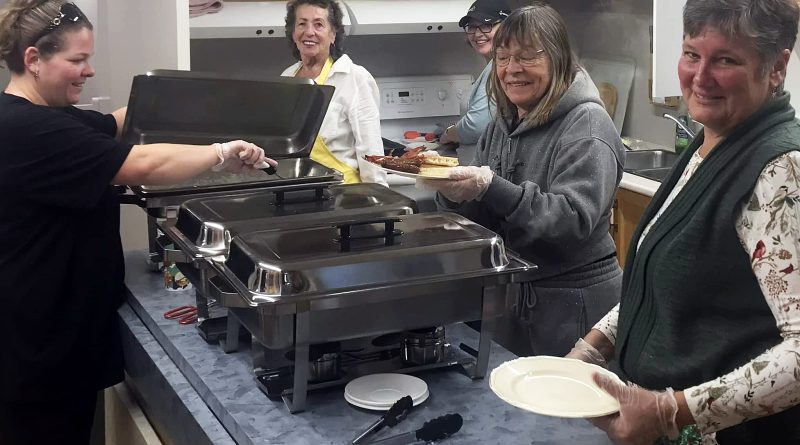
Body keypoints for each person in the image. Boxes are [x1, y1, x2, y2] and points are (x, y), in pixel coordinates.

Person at [0, 1, 276, 443]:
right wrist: (221, 152)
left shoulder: (51, 119)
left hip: (54, 334)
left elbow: (116, 124)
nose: (88, 70)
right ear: (33, 59)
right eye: (77, 59)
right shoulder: (25, 129)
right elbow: (140, 163)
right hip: (36, 348)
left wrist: (194, 103)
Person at [565, 1, 800, 444]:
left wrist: (670, 412)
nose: (700, 76)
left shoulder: (779, 172)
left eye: (726, 59)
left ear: (777, 66)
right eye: (692, 54)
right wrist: (593, 347)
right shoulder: (710, 145)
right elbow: (665, 288)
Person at [421, 4, 625, 358]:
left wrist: (491, 187)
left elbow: (572, 221)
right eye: (503, 58)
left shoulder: (587, 126)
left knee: (569, 413)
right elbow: (484, 220)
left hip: (574, 306)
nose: (512, 69)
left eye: (528, 57)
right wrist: (454, 196)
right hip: (514, 297)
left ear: (558, 59)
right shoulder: (503, 124)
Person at [281, 0, 387, 186]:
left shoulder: (354, 78)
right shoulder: (287, 78)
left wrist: (378, 200)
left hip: (344, 195)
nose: (309, 32)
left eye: (319, 24)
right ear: (293, 33)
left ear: (333, 34)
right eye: (302, 24)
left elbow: (371, 153)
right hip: (296, 189)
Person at [438, 0, 511, 162]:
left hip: (487, 173)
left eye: (487, 25)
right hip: (477, 170)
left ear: (507, 27)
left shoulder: (501, 66)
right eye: (471, 27)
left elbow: (476, 126)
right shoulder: (491, 67)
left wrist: (448, 134)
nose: (477, 34)